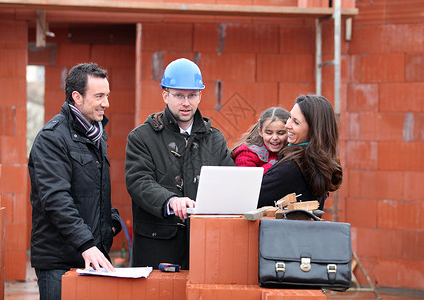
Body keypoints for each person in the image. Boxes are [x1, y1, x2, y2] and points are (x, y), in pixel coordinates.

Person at [125, 58, 234, 270]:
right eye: (179, 96)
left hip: (203, 248)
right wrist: (170, 200)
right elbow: (139, 181)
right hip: (157, 249)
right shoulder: (142, 137)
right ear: (165, 95)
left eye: (192, 96)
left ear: (200, 96)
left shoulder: (215, 139)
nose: (186, 103)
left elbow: (228, 184)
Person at [28, 63, 121, 300]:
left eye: (107, 95)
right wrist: (86, 244)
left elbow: (95, 191)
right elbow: (56, 200)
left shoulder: (96, 135)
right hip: (60, 262)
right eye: (99, 96)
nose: (106, 103)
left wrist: (111, 222)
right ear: (77, 97)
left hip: (91, 255)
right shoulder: (52, 139)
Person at [258, 94, 343, 210]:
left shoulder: (292, 167)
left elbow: (250, 199)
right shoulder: (320, 164)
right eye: (289, 117)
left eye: (296, 122)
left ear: (314, 130)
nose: (287, 125)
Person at [231, 107, 290, 173]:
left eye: (281, 133)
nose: (275, 137)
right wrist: (276, 163)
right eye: (269, 133)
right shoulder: (246, 154)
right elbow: (247, 179)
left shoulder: (293, 150)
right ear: (260, 132)